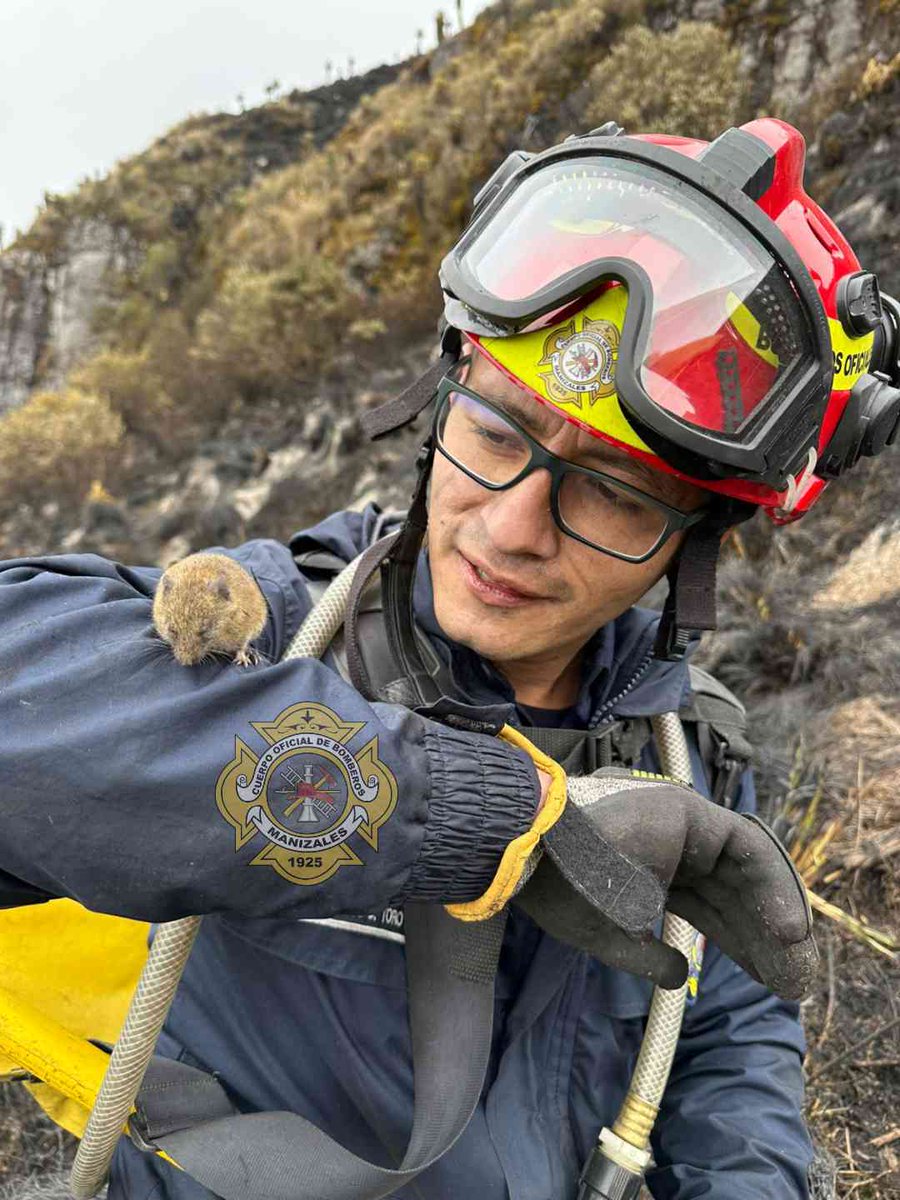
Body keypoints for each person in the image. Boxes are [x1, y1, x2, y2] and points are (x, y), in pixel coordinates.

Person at [0, 115, 897, 1200]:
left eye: (614, 492)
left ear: (698, 542)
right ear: (435, 401)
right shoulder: (273, 635)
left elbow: (729, 1049)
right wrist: (476, 817)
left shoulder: (693, 758)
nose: (512, 527)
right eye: (496, 431)